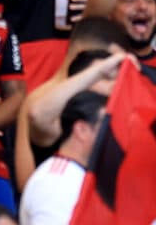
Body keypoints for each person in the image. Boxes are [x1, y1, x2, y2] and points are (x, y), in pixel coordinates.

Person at [14, 92, 101, 225]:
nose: (113, 136)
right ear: (81, 130)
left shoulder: (71, 175)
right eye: (106, 127)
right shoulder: (57, 182)